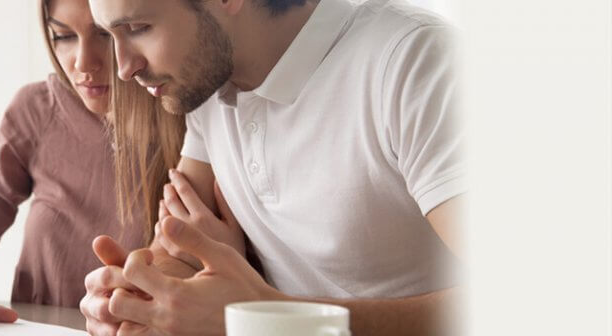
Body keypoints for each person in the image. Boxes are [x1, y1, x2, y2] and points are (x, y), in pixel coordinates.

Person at [82, 0, 466, 335]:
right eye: (110, 35)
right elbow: (179, 254)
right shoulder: (210, 87)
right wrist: (140, 298)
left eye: (137, 28)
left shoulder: (414, 61)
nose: (124, 69)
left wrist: (270, 316)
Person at [0, 0, 186, 328]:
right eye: (63, 36)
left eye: (104, 35)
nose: (83, 63)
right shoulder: (36, 110)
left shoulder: (195, 126)